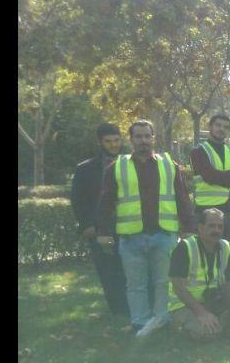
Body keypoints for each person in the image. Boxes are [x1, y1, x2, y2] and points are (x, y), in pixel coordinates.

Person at [95, 119, 196, 336]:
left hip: (164, 234)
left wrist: (188, 226)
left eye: (147, 136)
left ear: (153, 138)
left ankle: (161, 319)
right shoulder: (118, 167)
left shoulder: (169, 165)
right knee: (135, 284)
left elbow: (182, 197)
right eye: (138, 136)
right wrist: (102, 232)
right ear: (131, 140)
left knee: (163, 282)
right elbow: (106, 201)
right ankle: (140, 322)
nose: (143, 140)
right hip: (131, 236)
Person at [168, 207, 230, 337]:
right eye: (211, 226)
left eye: (219, 227)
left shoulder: (226, 246)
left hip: (212, 299)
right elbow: (178, 288)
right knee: (207, 333)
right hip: (184, 304)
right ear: (200, 227)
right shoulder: (184, 248)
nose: (216, 230)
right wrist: (202, 313)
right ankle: (179, 323)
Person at [71, 122, 129, 320]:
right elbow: (78, 200)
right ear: (100, 142)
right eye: (108, 141)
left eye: (116, 140)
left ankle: (133, 308)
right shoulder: (85, 169)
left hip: (128, 225)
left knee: (129, 269)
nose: (113, 145)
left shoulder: (130, 164)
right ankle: (118, 310)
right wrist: (87, 225)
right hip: (100, 228)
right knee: (107, 270)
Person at [190, 113, 230, 243]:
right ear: (210, 127)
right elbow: (209, 176)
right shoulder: (198, 151)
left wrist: (221, 176)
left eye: (225, 127)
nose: (221, 129)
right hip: (207, 210)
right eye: (218, 125)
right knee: (208, 251)